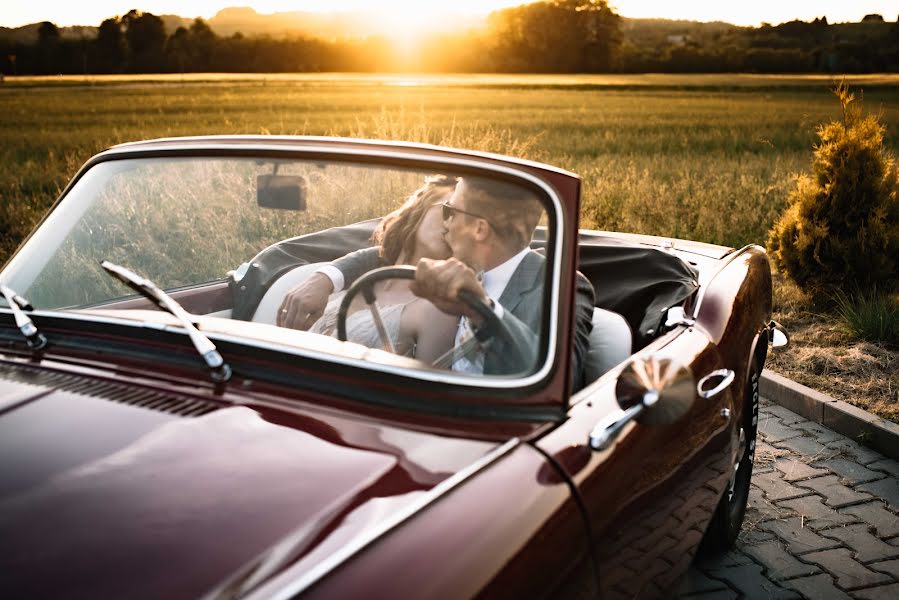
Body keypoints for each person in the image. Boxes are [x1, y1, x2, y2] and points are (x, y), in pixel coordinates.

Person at [279, 175, 595, 388]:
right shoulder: (456, 264)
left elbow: (564, 380)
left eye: (451, 211)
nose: (447, 223)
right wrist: (329, 275)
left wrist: (482, 310)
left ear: (479, 230)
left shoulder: (558, 284)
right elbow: (391, 255)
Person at [299, 176, 460, 363]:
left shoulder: (438, 310)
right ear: (421, 206)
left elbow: (428, 389)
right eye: (448, 211)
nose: (453, 224)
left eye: (464, 220)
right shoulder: (362, 276)